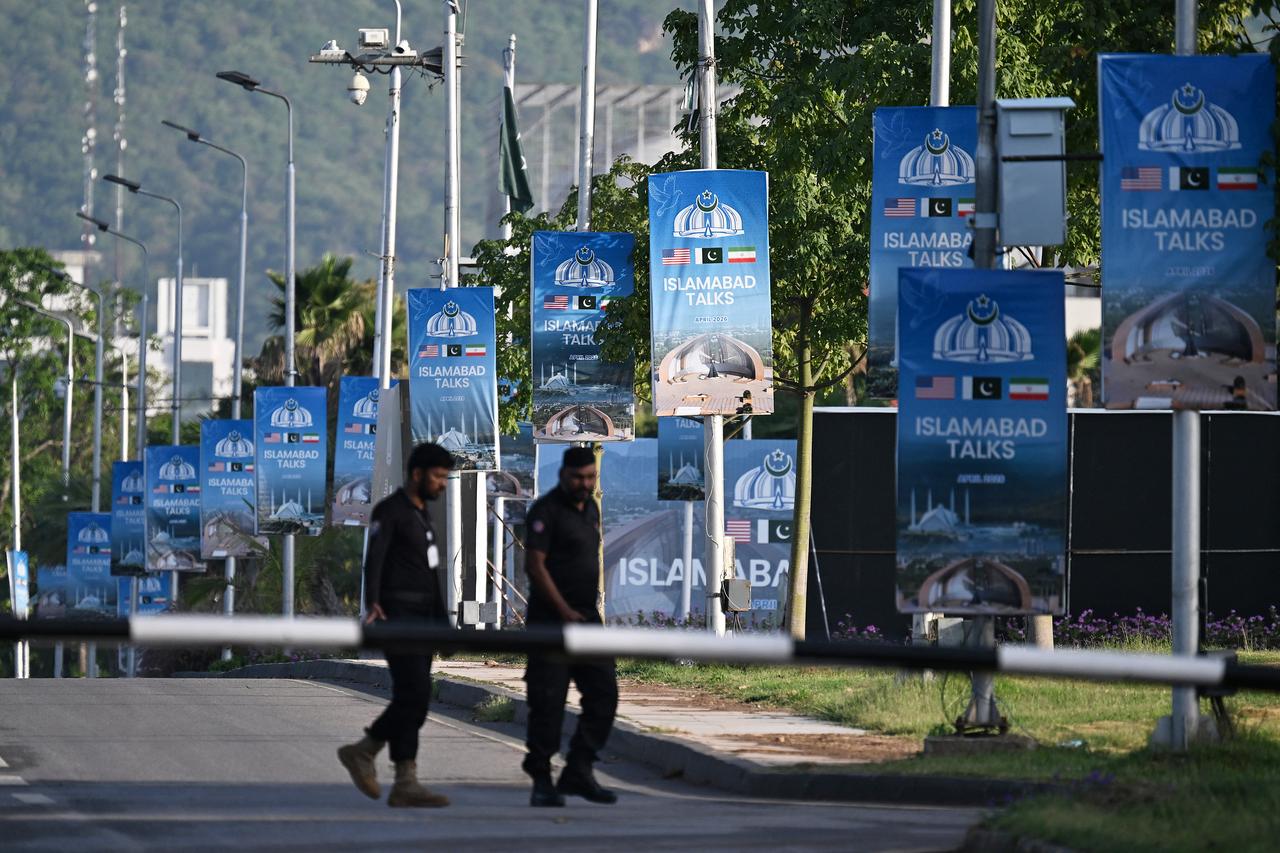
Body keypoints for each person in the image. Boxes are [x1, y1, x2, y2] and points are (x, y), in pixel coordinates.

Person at [337, 442, 453, 808]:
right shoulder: (390, 511)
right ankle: (365, 751)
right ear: (417, 474)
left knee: (415, 698)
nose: (443, 483)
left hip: (424, 621)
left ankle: (405, 780)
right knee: (414, 694)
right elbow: (375, 558)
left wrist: (443, 624)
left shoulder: (422, 515)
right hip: (398, 617)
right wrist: (373, 601)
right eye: (438, 476)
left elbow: (431, 575)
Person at [522, 446, 619, 808]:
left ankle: (579, 769)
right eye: (578, 477)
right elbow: (535, 566)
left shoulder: (591, 508)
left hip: (586, 619)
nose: (585, 484)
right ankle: (541, 779)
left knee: (604, 693)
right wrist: (563, 609)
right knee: (547, 702)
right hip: (550, 621)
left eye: (590, 477)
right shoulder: (545, 511)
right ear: (563, 474)